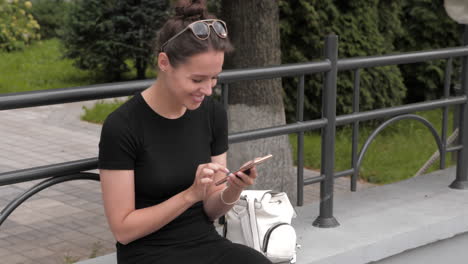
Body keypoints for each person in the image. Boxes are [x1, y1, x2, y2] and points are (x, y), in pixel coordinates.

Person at [98, 1, 273, 263]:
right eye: (197, 79)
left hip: (204, 242)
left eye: (215, 78)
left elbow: (211, 209)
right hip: (147, 253)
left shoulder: (212, 115)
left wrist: (233, 189)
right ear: (164, 62)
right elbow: (123, 230)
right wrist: (189, 194)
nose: (208, 89)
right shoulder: (122, 126)